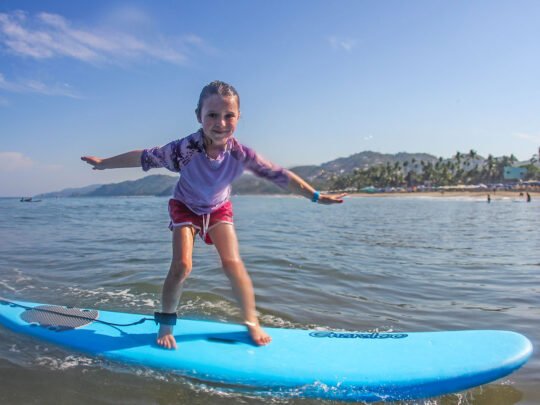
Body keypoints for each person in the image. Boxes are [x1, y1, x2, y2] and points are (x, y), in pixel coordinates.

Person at [82, 80, 345, 350]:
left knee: (233, 263)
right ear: (199, 116)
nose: (221, 123)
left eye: (229, 115)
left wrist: (315, 196)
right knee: (182, 265)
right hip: (185, 206)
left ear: (238, 117)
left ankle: (252, 322)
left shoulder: (242, 155)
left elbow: (281, 176)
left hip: (219, 208)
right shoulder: (182, 150)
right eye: (212, 115)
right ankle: (166, 323)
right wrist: (105, 164)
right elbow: (144, 157)